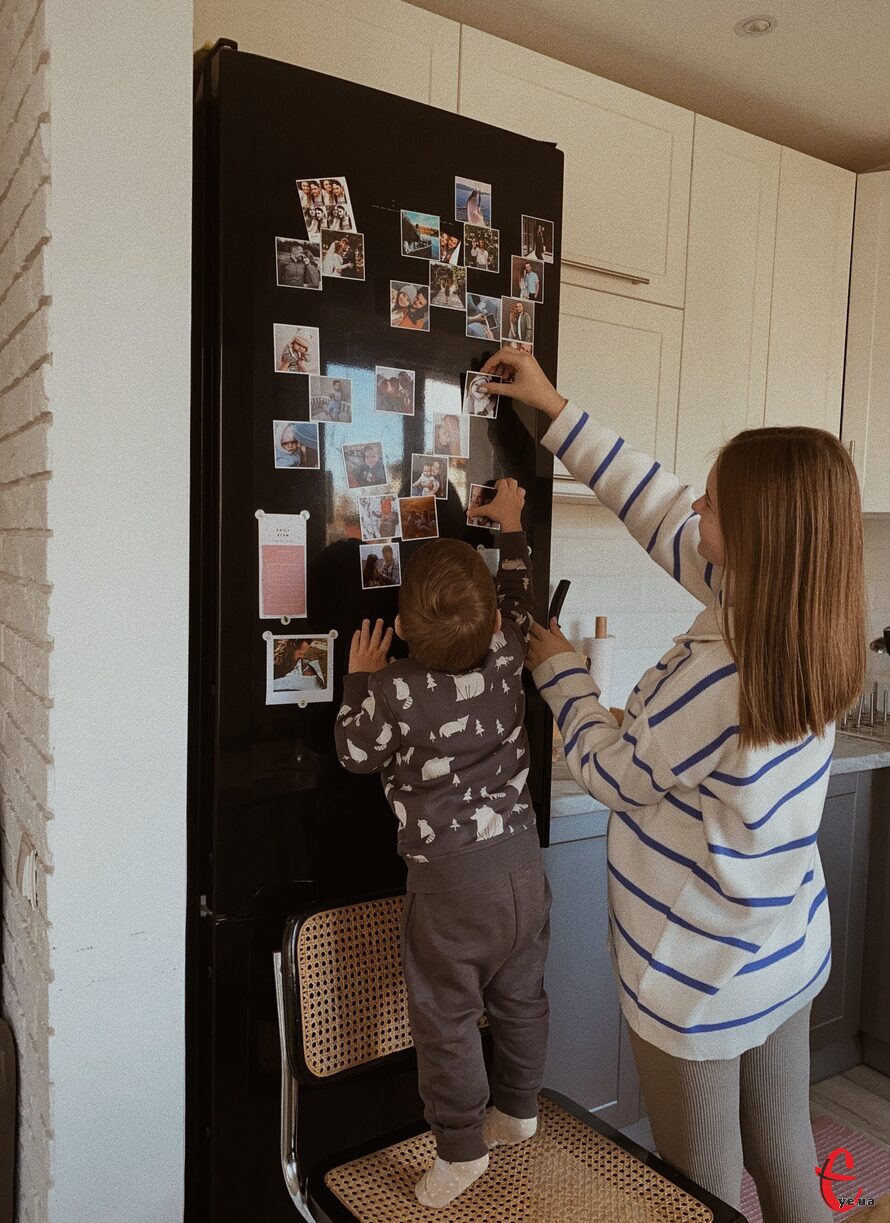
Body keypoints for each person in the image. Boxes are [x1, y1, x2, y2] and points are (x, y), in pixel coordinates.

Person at [477, 345, 865, 1222]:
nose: (696, 506)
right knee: (787, 1157)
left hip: (697, 974)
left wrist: (563, 673)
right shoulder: (798, 620)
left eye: (716, 504)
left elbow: (616, 774)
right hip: (780, 950)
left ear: (759, 537)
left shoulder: (722, 669)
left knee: (700, 1194)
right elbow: (654, 503)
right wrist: (555, 409)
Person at [335, 480, 550, 1208]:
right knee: (520, 996)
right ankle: (518, 1108)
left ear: (399, 623)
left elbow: (354, 754)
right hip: (524, 865)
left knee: (448, 1016)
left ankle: (462, 1147)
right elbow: (521, 596)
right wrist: (512, 531)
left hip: (450, 884)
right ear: (491, 618)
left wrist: (359, 679)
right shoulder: (507, 647)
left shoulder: (394, 690)